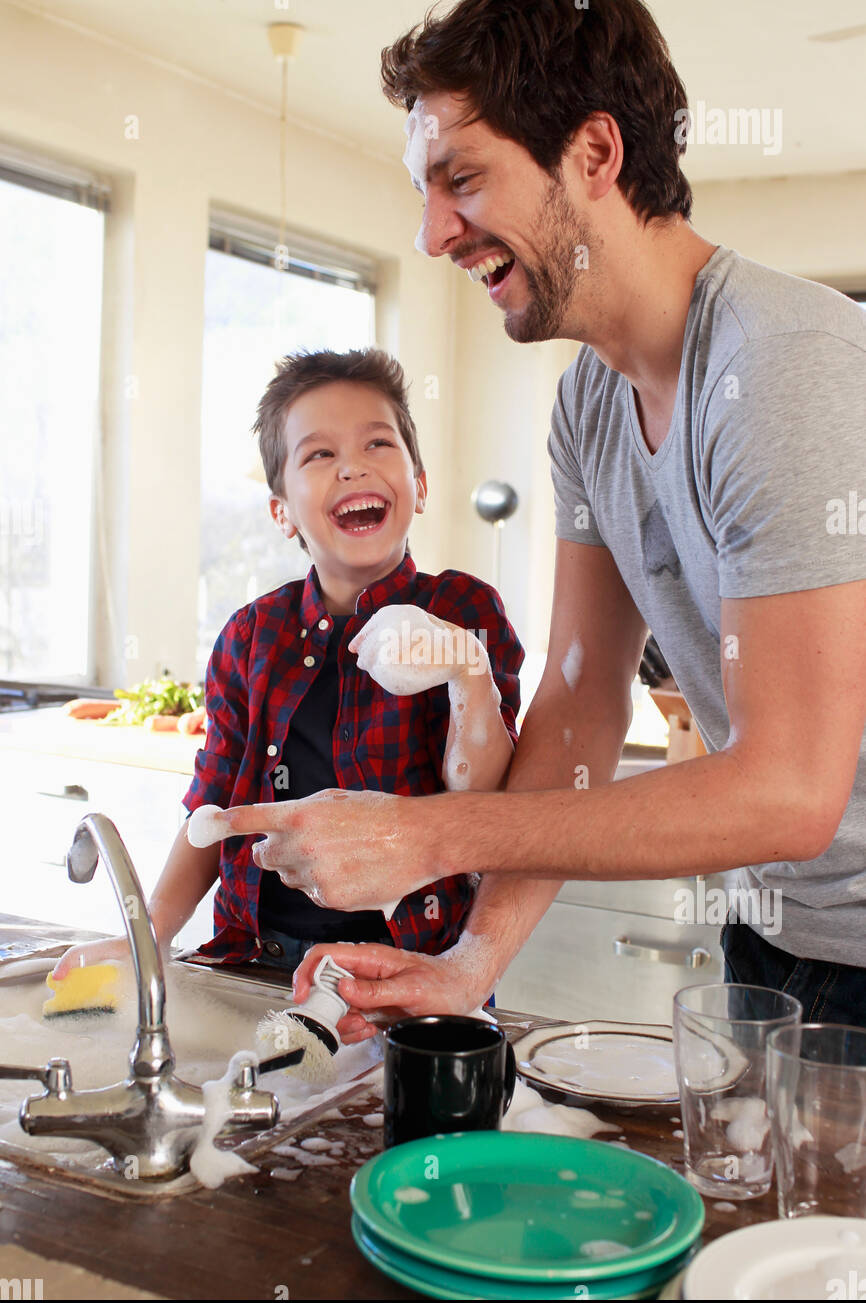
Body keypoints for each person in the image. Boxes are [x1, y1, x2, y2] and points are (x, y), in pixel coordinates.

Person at [207, 0, 866, 1035]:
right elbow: (575, 702)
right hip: (776, 931)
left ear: (593, 151)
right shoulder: (589, 404)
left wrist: (431, 836)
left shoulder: (782, 364)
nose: (430, 236)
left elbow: (788, 788)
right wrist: (471, 961)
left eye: (461, 178)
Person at [51, 347, 523, 981]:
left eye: (378, 445)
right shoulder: (251, 636)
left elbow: (483, 800)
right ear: (282, 512)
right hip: (259, 961)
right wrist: (149, 939)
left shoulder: (463, 608)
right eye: (320, 454)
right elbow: (211, 811)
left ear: (421, 486)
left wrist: (469, 673)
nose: (353, 467)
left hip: (413, 966)